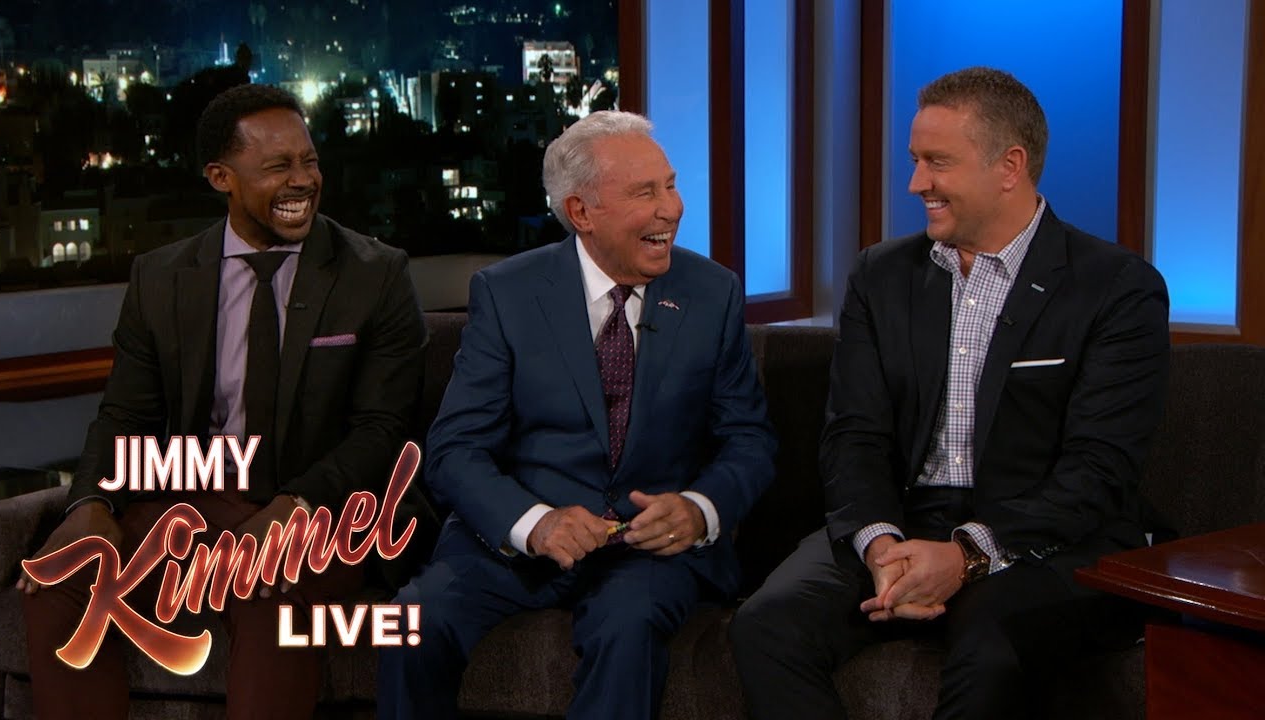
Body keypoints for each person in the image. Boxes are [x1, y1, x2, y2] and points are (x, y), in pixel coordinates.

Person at [730, 67, 1170, 720]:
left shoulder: (1116, 287)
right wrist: (880, 543)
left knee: (992, 647)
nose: (916, 183)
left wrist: (966, 554)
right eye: (915, 160)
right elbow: (854, 433)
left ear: (1009, 166)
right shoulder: (882, 275)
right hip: (901, 519)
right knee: (767, 625)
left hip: (1042, 538)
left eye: (937, 162)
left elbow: (1100, 469)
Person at [19, 83, 434, 720]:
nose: (303, 181)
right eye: (278, 166)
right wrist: (91, 504)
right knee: (63, 578)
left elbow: (382, 430)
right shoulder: (161, 278)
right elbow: (125, 415)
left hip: (324, 514)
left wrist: (294, 508)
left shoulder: (374, 274)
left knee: (264, 583)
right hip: (198, 504)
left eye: (309, 161)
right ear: (222, 178)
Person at [377, 110, 777, 720]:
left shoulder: (711, 292)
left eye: (670, 185)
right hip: (518, 539)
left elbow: (749, 440)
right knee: (412, 623)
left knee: (628, 626)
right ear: (581, 212)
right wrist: (534, 523)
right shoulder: (507, 293)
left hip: (647, 550)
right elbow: (455, 449)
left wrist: (699, 509)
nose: (671, 209)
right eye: (644, 193)